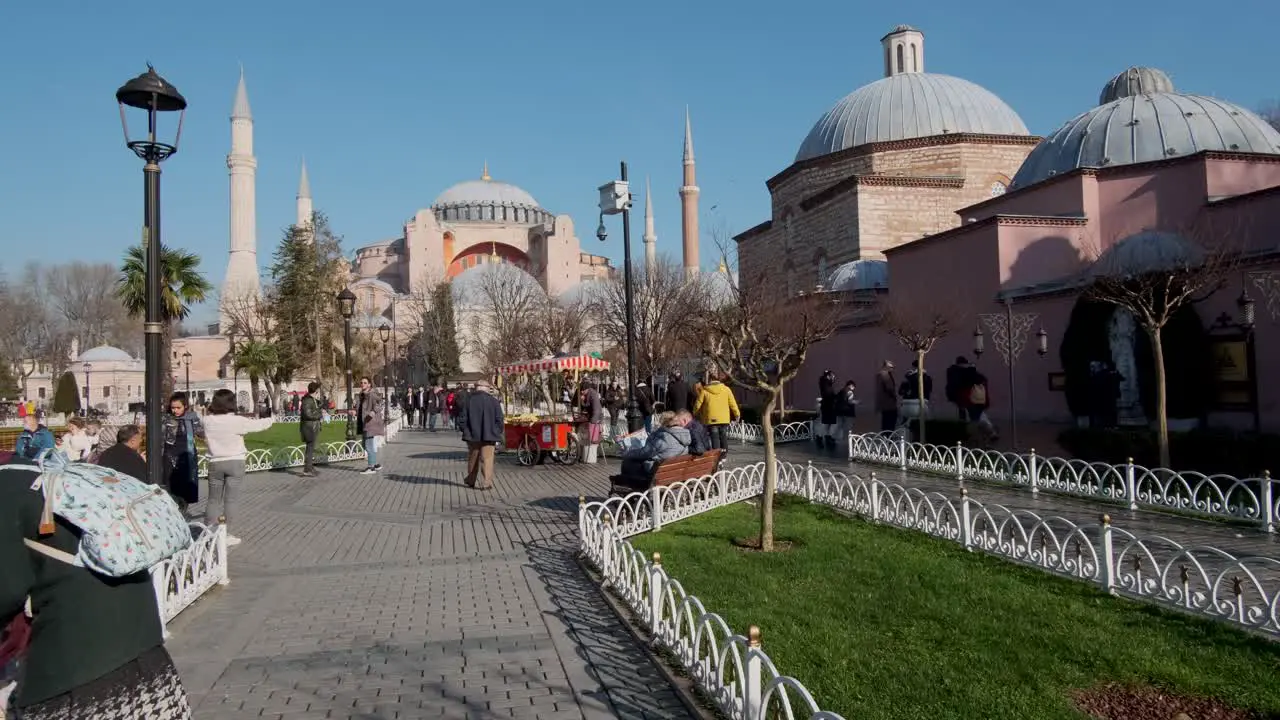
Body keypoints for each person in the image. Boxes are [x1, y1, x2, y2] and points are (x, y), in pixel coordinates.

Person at [0, 463, 192, 718]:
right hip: (146, 649)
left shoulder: (6, 494)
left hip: (76, 666)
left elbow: (7, 590)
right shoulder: (41, 470)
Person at [203, 389, 274, 545]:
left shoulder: (207, 421)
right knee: (231, 500)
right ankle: (224, 535)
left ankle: (209, 533)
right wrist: (271, 419)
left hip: (215, 462)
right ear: (231, 403)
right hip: (235, 462)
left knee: (213, 500)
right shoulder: (236, 421)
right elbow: (258, 425)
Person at [615, 412, 693, 492]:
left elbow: (645, 453)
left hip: (658, 475)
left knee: (628, 462)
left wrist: (627, 454)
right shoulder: (686, 436)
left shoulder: (664, 437)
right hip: (675, 474)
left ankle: (631, 491)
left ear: (665, 423)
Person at [162, 393, 204, 514]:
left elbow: (200, 433)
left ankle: (183, 511)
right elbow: (161, 438)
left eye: (178, 407)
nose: (175, 410)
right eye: (172, 408)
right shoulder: (166, 419)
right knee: (172, 487)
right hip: (170, 456)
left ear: (185, 406)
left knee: (186, 487)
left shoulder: (192, 417)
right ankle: (173, 511)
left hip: (188, 455)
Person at [460, 380, 503, 490]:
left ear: (476, 388)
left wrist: (465, 431)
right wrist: (497, 431)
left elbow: (463, 419)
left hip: (472, 435)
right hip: (490, 435)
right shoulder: (494, 401)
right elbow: (499, 419)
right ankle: (486, 483)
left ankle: (471, 480)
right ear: (486, 388)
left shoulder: (468, 400)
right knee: (487, 458)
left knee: (473, 458)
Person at [693, 373, 740, 455]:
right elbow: (733, 404)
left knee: (714, 437)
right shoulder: (726, 389)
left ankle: (716, 456)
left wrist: (695, 413)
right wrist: (737, 415)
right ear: (719, 380)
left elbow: (697, 404)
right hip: (724, 418)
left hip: (711, 418)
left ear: (710, 380)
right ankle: (724, 455)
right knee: (723, 435)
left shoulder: (704, 391)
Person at [356, 377, 386, 475]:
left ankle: (371, 467)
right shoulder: (362, 395)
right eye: (361, 382)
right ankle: (376, 464)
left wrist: (373, 412)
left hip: (370, 422)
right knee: (364, 445)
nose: (362, 384)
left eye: (365, 383)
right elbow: (360, 409)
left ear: (369, 384)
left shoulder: (372, 394)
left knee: (368, 445)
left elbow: (380, 403)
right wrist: (354, 411)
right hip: (363, 422)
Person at [299, 382, 324, 477]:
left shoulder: (312, 399)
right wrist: (319, 415)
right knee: (310, 448)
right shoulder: (307, 401)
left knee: (311, 448)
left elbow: (316, 407)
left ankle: (308, 467)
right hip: (309, 427)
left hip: (312, 426)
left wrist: (319, 403)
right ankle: (308, 468)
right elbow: (308, 414)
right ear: (316, 390)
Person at [874, 361, 898, 432]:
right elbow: (889, 388)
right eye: (891, 367)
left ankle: (885, 437)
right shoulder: (885, 375)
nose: (892, 369)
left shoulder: (879, 375)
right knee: (890, 423)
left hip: (883, 404)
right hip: (889, 404)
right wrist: (894, 397)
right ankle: (889, 438)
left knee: (885, 422)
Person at [834, 380, 859, 447]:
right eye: (853, 386)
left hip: (839, 412)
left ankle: (837, 440)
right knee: (848, 427)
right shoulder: (850, 392)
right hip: (848, 412)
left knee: (839, 426)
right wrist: (857, 402)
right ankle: (847, 441)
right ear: (850, 385)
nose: (854, 388)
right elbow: (850, 402)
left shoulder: (842, 391)